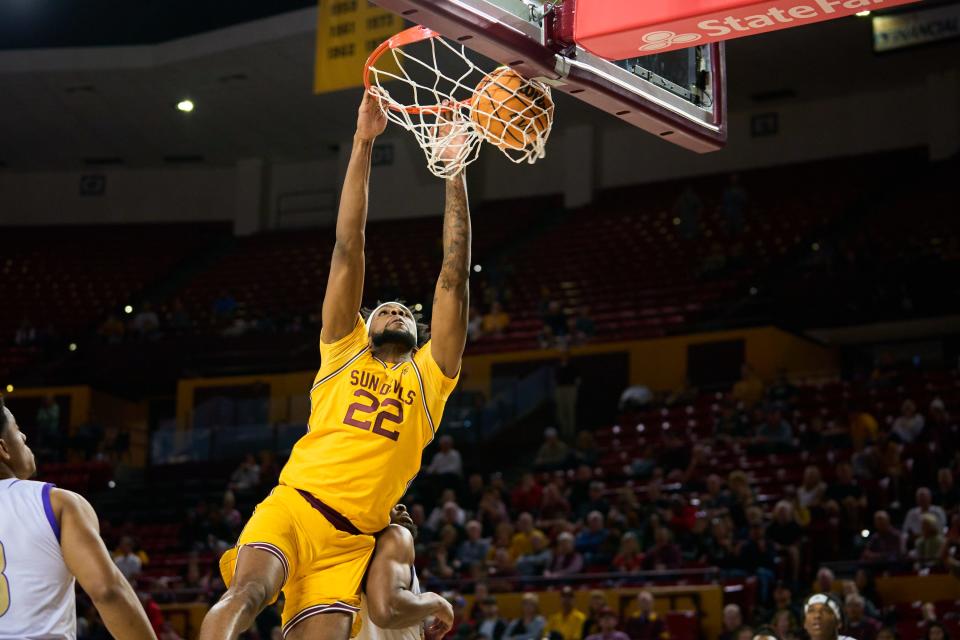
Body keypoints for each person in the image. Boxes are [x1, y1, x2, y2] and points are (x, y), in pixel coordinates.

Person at [200, 91, 470, 640]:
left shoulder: (429, 376)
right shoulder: (342, 348)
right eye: (382, 308)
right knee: (247, 592)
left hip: (352, 541)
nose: (394, 308)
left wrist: (453, 169)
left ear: (418, 336)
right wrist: (363, 142)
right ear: (363, 325)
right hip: (296, 505)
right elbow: (349, 246)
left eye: (404, 311)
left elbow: (453, 275)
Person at [0, 397, 157, 640]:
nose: (24, 438)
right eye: (17, 430)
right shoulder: (56, 503)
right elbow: (107, 592)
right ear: (3, 448)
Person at [358, 504, 453, 640]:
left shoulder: (349, 554)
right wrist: (438, 603)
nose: (402, 506)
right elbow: (389, 610)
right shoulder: (397, 534)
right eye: (391, 500)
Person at [554, 348, 580, 441]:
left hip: (570, 389)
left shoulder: (572, 366)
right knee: (561, 412)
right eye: (562, 354)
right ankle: (564, 433)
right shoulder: (557, 366)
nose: (563, 356)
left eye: (565, 354)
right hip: (560, 389)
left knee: (570, 411)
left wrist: (574, 388)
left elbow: (577, 379)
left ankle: (571, 433)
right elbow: (556, 378)